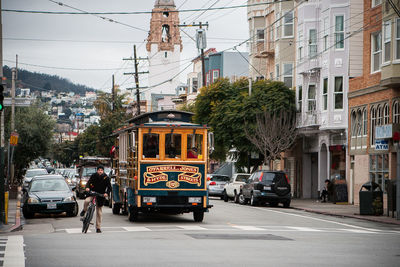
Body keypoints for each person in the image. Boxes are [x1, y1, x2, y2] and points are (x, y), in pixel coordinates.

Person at [80, 165, 112, 233]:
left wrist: (106, 193)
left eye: (101, 170)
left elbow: (109, 187)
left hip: (100, 195)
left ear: (103, 171)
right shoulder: (93, 175)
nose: (100, 171)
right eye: (99, 170)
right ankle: (84, 210)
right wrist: (87, 188)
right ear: (97, 170)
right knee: (86, 201)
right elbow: (89, 182)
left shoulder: (106, 177)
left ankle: (98, 227)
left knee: (99, 212)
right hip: (92, 193)